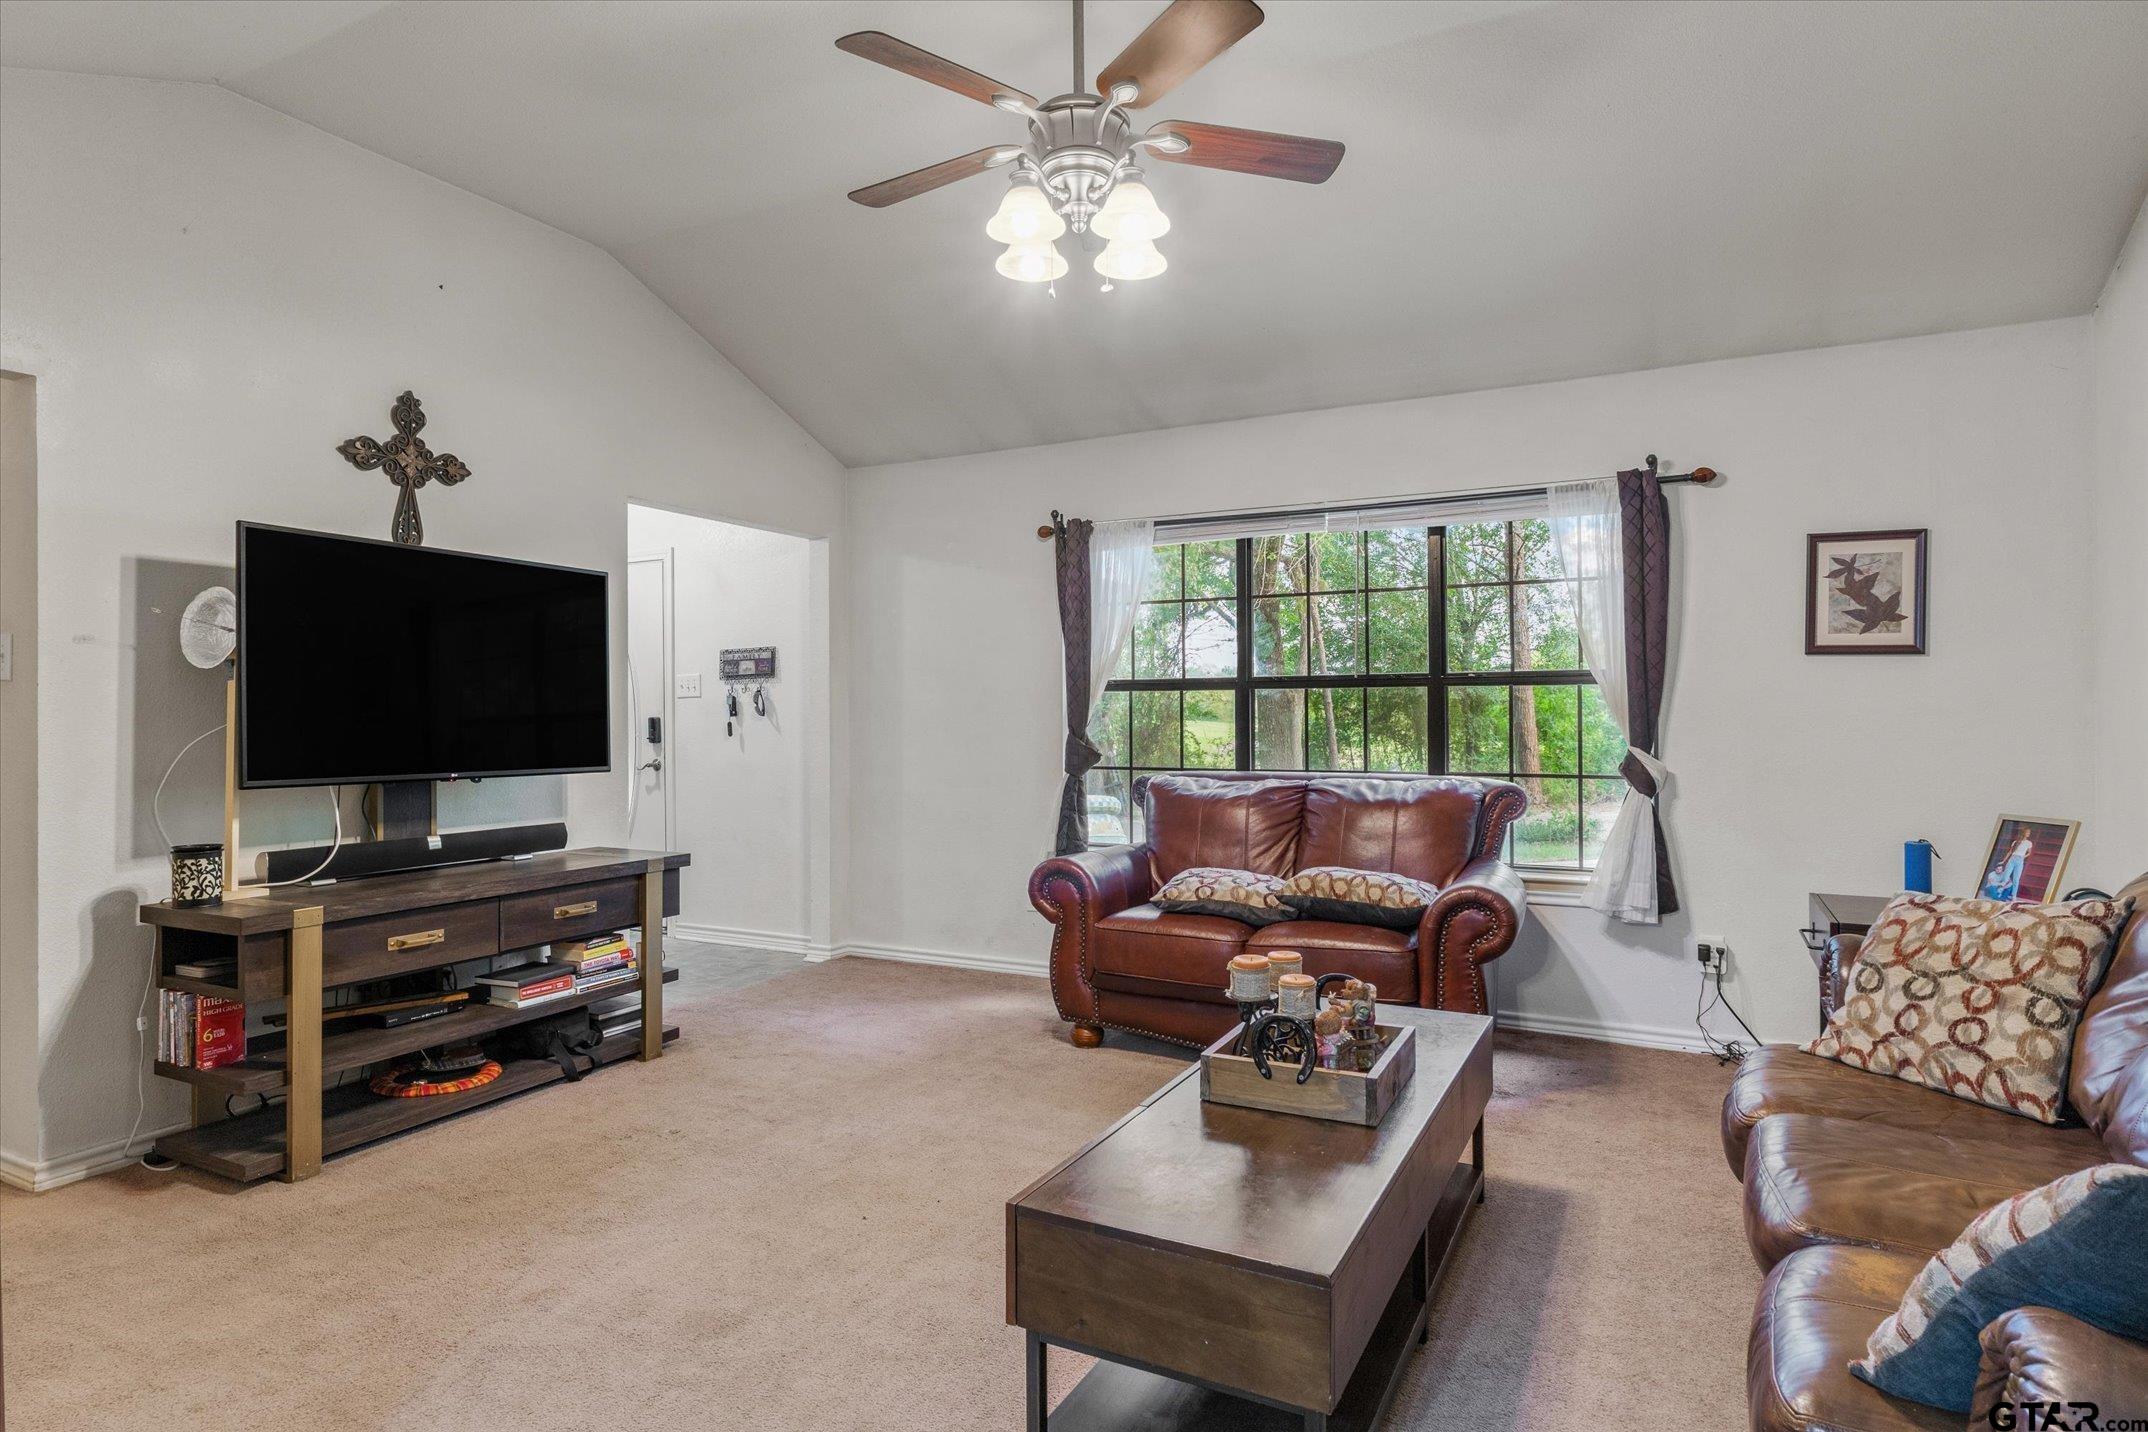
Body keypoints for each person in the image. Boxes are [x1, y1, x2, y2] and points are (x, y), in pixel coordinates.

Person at [1980, 834, 2035, 901]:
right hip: (2012, 859)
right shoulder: (2015, 842)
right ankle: (1999, 891)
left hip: (2020, 860)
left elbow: (2029, 853)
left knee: (2016, 879)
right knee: (2006, 877)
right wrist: (2003, 861)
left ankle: (2013, 895)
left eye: (2029, 833)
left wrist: (2023, 857)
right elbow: (2010, 852)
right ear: (2023, 833)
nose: (2028, 834)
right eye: (2027, 832)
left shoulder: (2028, 843)